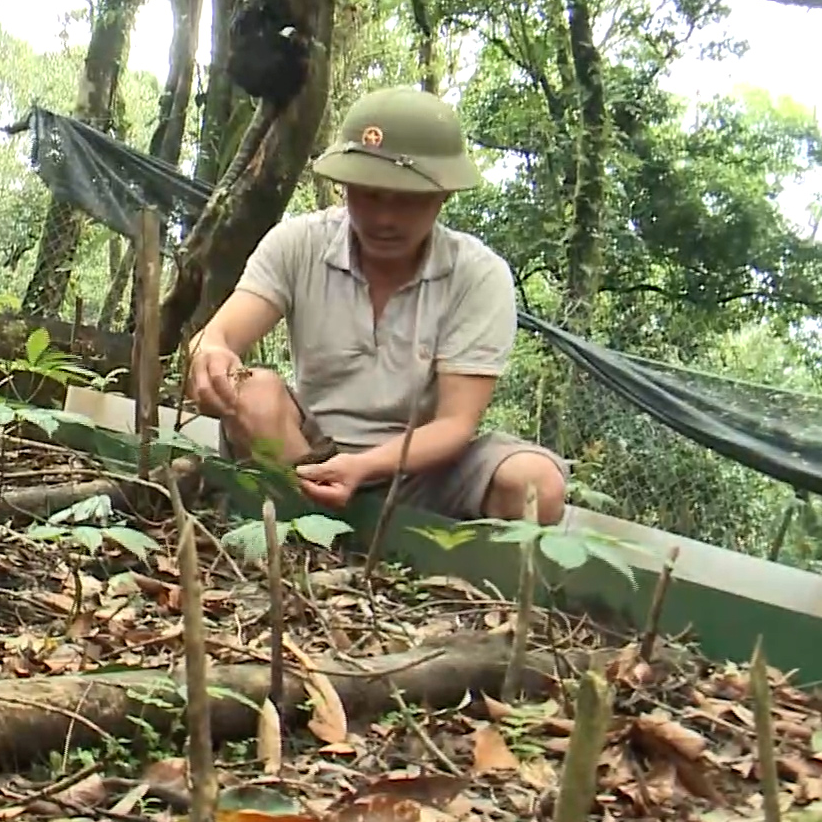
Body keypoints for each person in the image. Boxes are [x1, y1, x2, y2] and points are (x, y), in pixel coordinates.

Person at [185, 85, 569, 525]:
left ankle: (439, 561)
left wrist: (365, 466)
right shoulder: (299, 243)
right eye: (368, 195)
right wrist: (210, 354)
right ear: (344, 186)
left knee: (536, 483)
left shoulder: (478, 276)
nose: (385, 218)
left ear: (445, 195)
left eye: (407, 200)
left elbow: (455, 424)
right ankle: (307, 531)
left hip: (424, 470)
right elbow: (220, 335)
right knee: (250, 391)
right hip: (305, 456)